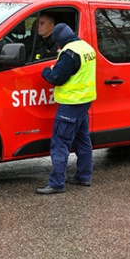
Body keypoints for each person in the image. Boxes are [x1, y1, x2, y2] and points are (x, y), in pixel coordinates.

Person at [36, 23, 97, 194]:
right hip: (84, 102)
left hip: (70, 104)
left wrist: (45, 71)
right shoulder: (86, 47)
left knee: (60, 143)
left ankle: (56, 183)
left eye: (57, 42)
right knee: (83, 141)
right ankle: (84, 176)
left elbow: (57, 77)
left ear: (60, 39)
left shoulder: (69, 53)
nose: (58, 45)